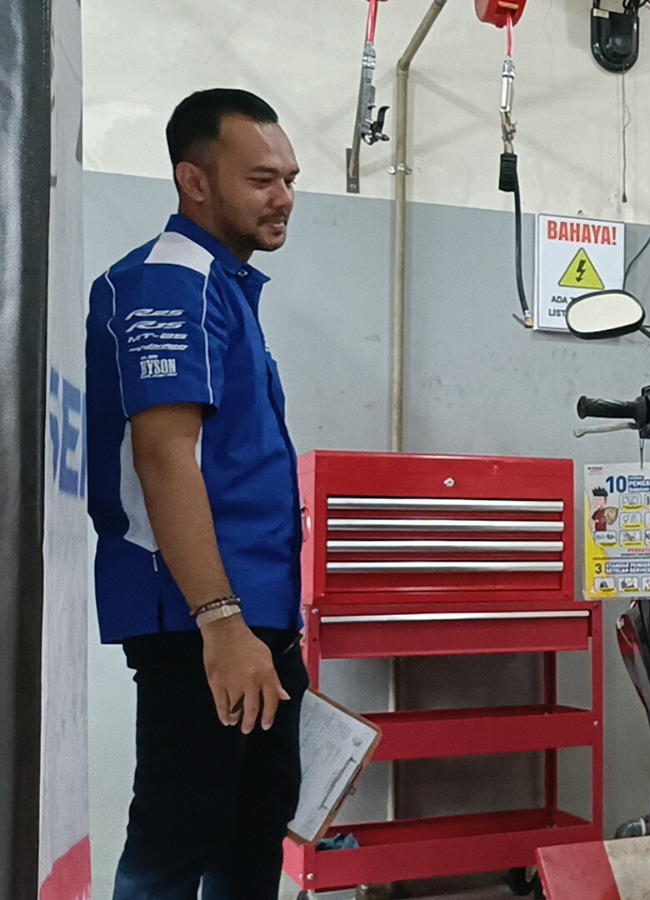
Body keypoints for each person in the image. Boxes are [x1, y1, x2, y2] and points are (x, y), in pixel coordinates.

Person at [85, 88, 306, 900]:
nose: (283, 196)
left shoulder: (225, 285)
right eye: (261, 179)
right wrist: (221, 623)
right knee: (179, 841)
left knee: (252, 834)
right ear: (195, 181)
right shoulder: (168, 281)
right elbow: (164, 456)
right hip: (201, 622)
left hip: (256, 622)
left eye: (288, 177)